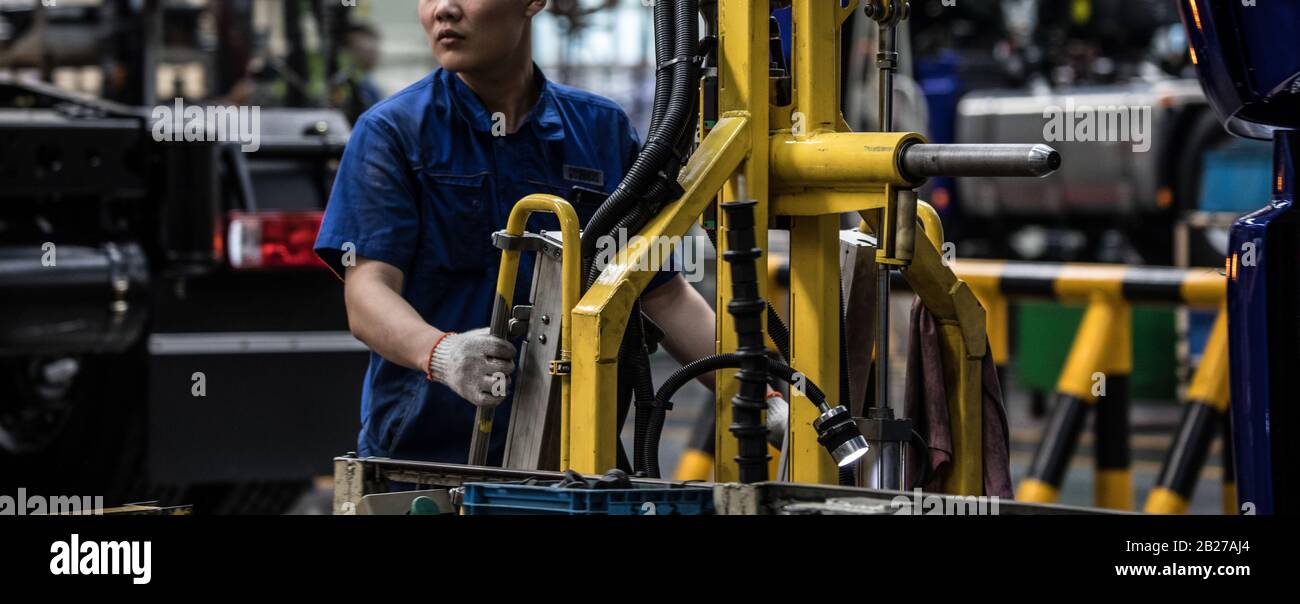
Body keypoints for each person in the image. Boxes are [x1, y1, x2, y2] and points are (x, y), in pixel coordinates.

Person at [315, 0, 785, 466]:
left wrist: (762, 398)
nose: (443, 10)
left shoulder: (600, 131)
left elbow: (662, 296)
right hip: (426, 459)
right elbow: (367, 294)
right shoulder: (392, 132)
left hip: (574, 458)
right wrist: (442, 353)